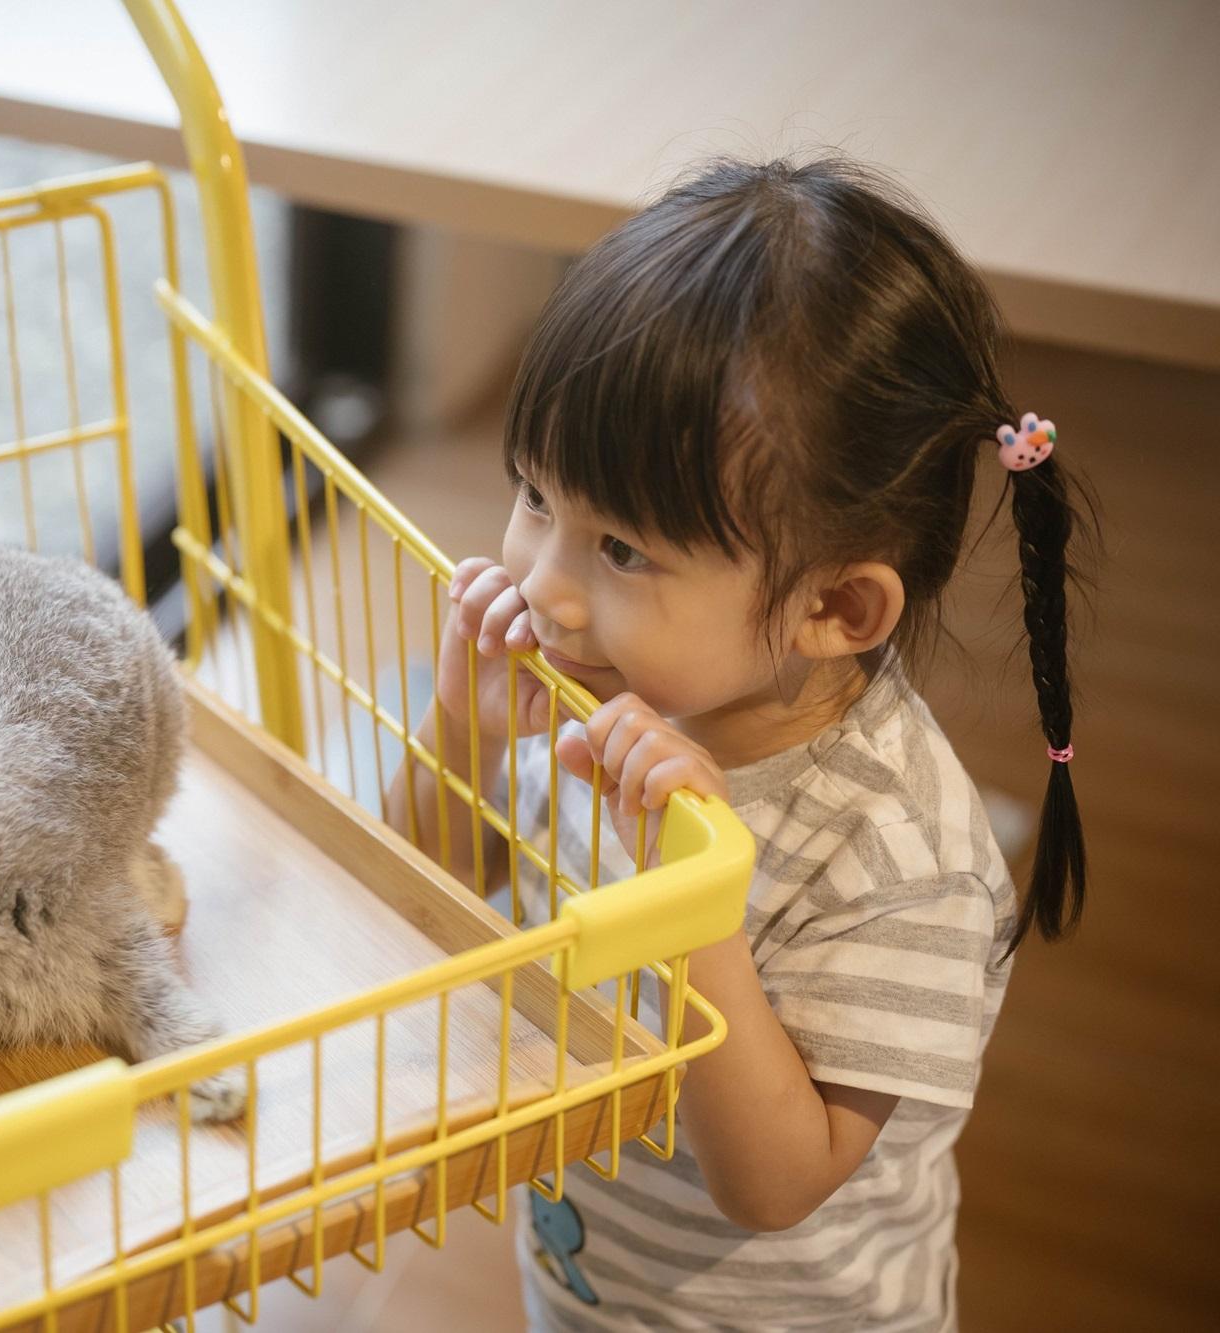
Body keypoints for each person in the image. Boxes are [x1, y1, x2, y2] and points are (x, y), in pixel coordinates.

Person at [386, 155, 1093, 1330]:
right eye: (532, 494)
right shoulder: (598, 684)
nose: (542, 584)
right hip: (588, 1275)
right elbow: (432, 892)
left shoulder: (900, 858)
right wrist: (459, 725)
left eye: (620, 550)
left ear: (832, 609)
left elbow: (774, 1186)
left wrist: (695, 911)